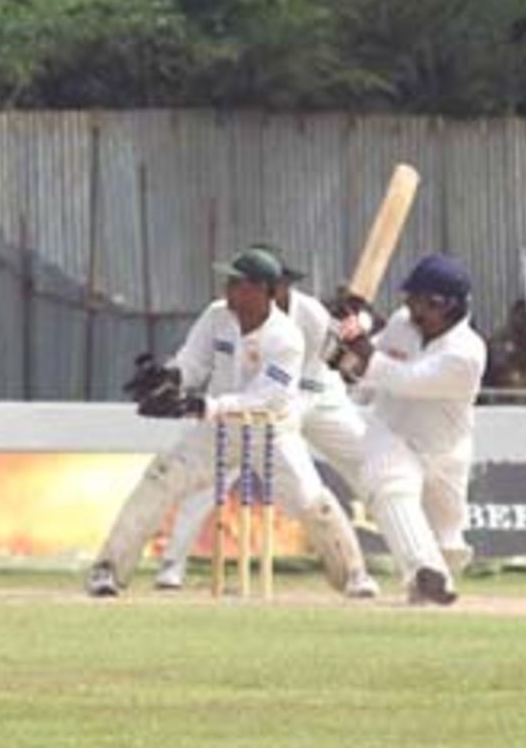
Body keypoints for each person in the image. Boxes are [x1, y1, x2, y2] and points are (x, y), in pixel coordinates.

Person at [86, 246, 372, 598]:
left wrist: (202, 404)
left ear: (261, 289)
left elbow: (266, 398)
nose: (228, 288)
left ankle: (354, 575)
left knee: (311, 499)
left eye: (237, 282)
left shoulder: (287, 338)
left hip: (271, 431)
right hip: (218, 429)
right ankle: (109, 569)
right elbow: (193, 362)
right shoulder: (216, 315)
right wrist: (170, 377)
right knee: (161, 477)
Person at [327, 253, 487, 606]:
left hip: (446, 449)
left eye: (416, 300)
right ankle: (422, 570)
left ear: (441, 304)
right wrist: (347, 330)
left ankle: (432, 576)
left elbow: (404, 379)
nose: (408, 307)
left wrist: (362, 347)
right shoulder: (403, 322)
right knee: (389, 487)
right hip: (392, 433)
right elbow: (359, 367)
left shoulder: (467, 354)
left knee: (449, 542)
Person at [482, 298, 526, 401]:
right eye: (521, 315)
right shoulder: (501, 338)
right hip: (502, 388)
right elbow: (498, 365)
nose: (523, 320)